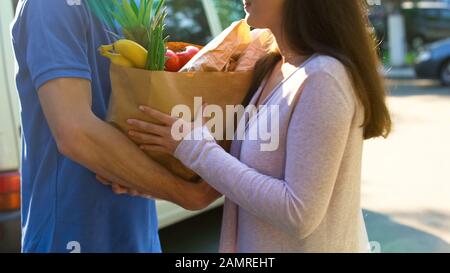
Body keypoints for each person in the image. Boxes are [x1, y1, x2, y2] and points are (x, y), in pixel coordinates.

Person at [117, 0, 392, 252]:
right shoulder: (273, 68)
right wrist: (148, 177)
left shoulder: (323, 78)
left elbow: (298, 213)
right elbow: (239, 177)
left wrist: (193, 148)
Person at [11, 0, 212, 253]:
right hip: (70, 236)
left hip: (137, 231)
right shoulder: (50, 5)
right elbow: (76, 132)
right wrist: (187, 193)